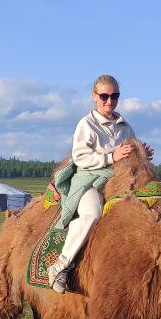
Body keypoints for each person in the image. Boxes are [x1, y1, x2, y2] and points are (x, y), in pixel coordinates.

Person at [48, 75, 154, 293]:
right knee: (92, 214)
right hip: (91, 182)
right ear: (94, 96)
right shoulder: (86, 124)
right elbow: (80, 158)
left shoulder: (125, 126)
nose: (109, 101)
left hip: (119, 183)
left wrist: (141, 155)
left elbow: (126, 156)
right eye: (104, 96)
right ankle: (61, 265)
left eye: (114, 96)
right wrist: (111, 156)